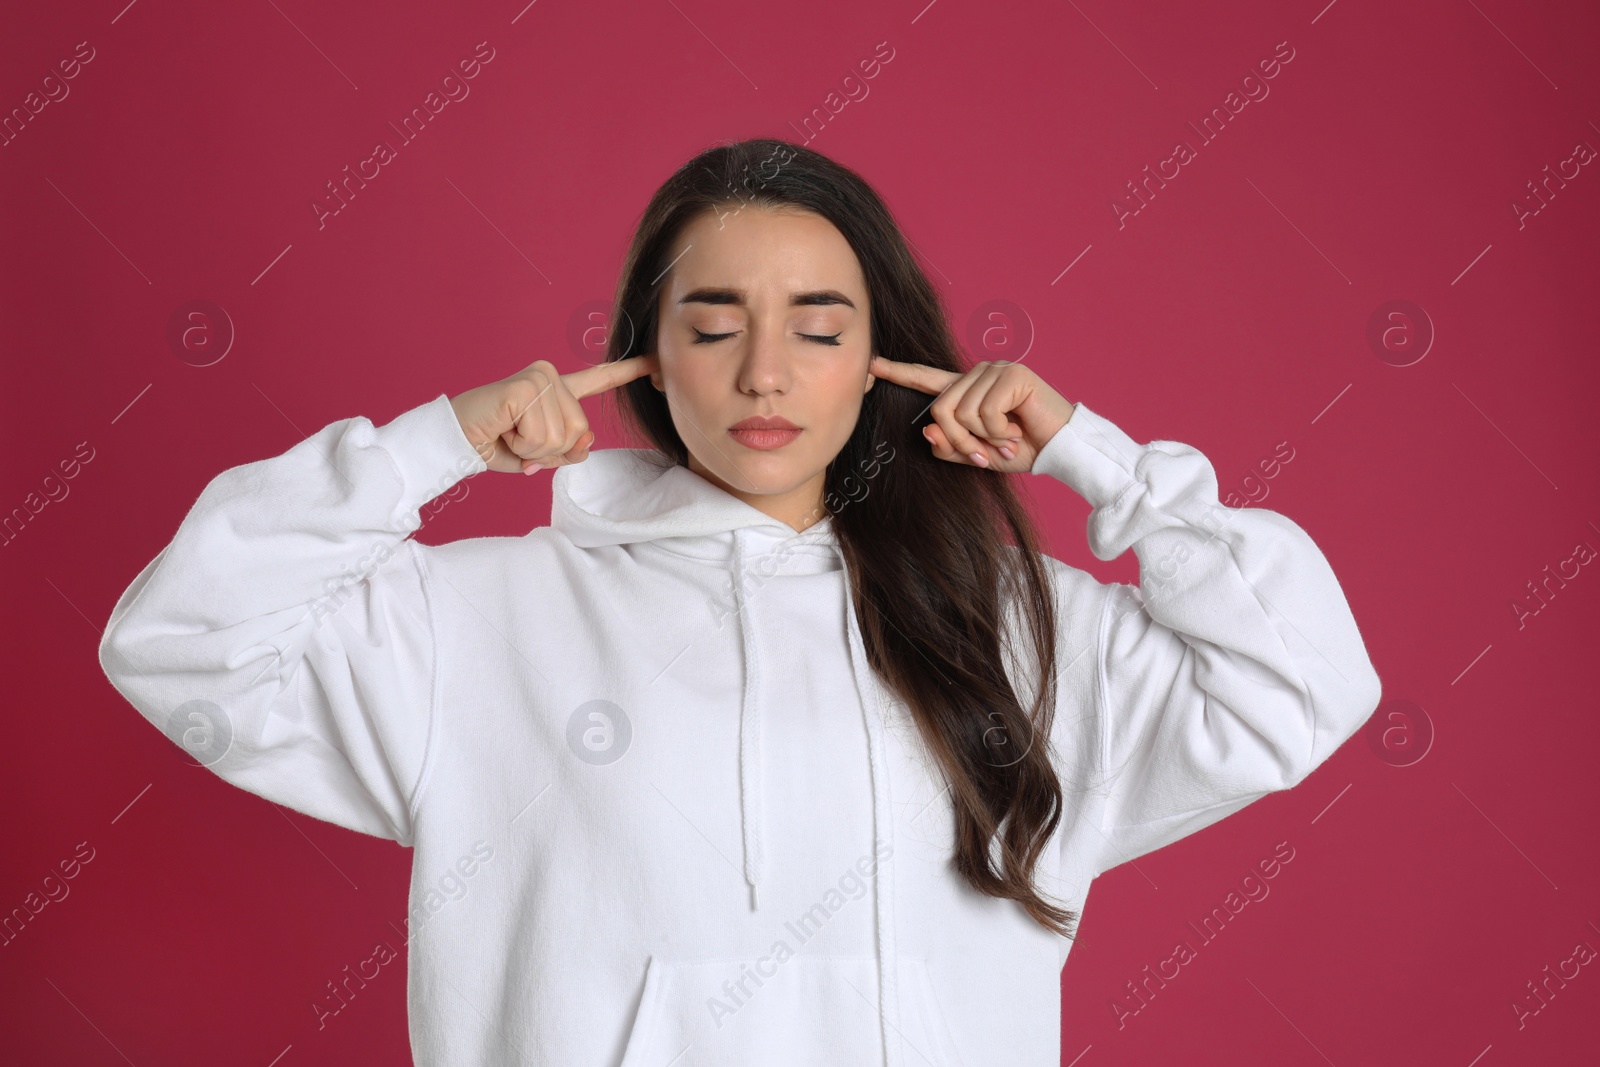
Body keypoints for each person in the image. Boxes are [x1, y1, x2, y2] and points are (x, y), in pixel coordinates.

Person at [97, 138, 1382, 1066]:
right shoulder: (474, 619)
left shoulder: (1015, 626)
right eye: (714, 326)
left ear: (883, 359)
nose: (765, 370)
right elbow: (182, 639)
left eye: (819, 328)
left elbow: (1305, 680)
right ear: (646, 360)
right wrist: (432, 445)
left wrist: (1091, 455)